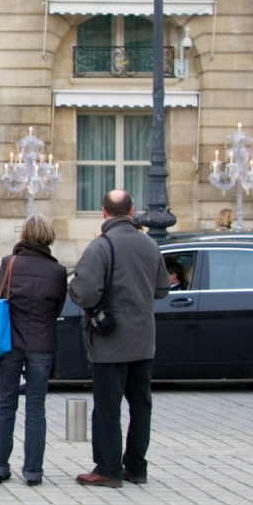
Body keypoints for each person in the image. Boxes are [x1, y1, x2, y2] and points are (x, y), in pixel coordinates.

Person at [69, 190, 170, 488]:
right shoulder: (150, 245)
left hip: (110, 339)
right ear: (133, 210)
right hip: (144, 339)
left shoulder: (100, 247)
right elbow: (162, 288)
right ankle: (136, 466)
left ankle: (109, 468)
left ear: (103, 212)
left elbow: (84, 292)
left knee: (108, 406)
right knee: (141, 405)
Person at [0, 213, 68, 486]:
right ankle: (33, 470)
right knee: (36, 407)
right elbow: (57, 308)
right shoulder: (57, 271)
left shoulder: (10, 263)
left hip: (10, 342)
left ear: (24, 234)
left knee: (6, 403)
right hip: (42, 344)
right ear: (48, 236)